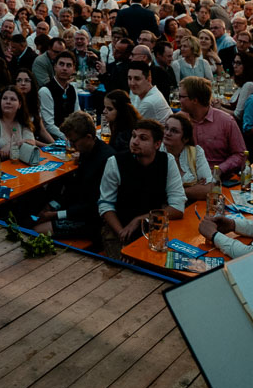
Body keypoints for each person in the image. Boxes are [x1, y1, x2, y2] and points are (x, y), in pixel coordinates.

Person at [98, 120, 186, 255]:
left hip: (155, 227)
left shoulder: (167, 161)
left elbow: (177, 208)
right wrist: (122, 233)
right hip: (119, 226)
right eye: (134, 136)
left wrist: (140, 220)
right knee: (125, 264)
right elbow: (106, 205)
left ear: (157, 144)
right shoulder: (115, 162)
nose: (135, 141)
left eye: (143, 138)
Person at [35, 111, 114, 242]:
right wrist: (52, 205)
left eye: (73, 141)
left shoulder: (105, 160)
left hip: (93, 220)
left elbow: (93, 205)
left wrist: (55, 214)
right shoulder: (86, 151)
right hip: (79, 210)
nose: (71, 146)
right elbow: (74, 188)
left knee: (36, 231)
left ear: (88, 137)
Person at [175, 76, 246, 176]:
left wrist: (219, 170)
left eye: (181, 97)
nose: (178, 100)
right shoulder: (178, 120)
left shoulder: (225, 121)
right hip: (186, 178)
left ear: (195, 100)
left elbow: (241, 154)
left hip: (218, 179)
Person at [162, 111, 216, 204]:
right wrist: (195, 188)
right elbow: (158, 193)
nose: (167, 133)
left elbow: (209, 190)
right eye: (166, 128)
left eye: (174, 131)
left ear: (185, 138)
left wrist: (174, 192)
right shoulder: (157, 153)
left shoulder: (196, 152)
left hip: (194, 207)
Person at [0, 85, 38, 158]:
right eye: (4, 98)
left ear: (19, 104)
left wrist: (12, 145)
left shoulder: (23, 121)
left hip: (19, 166)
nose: (8, 102)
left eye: (13, 99)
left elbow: (31, 143)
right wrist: (0, 153)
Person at [38, 53, 80, 141]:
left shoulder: (72, 89)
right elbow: (48, 125)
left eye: (68, 65)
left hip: (70, 137)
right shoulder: (45, 91)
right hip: (52, 139)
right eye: (61, 64)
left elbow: (77, 116)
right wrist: (68, 138)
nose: (64, 68)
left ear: (73, 69)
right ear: (55, 67)